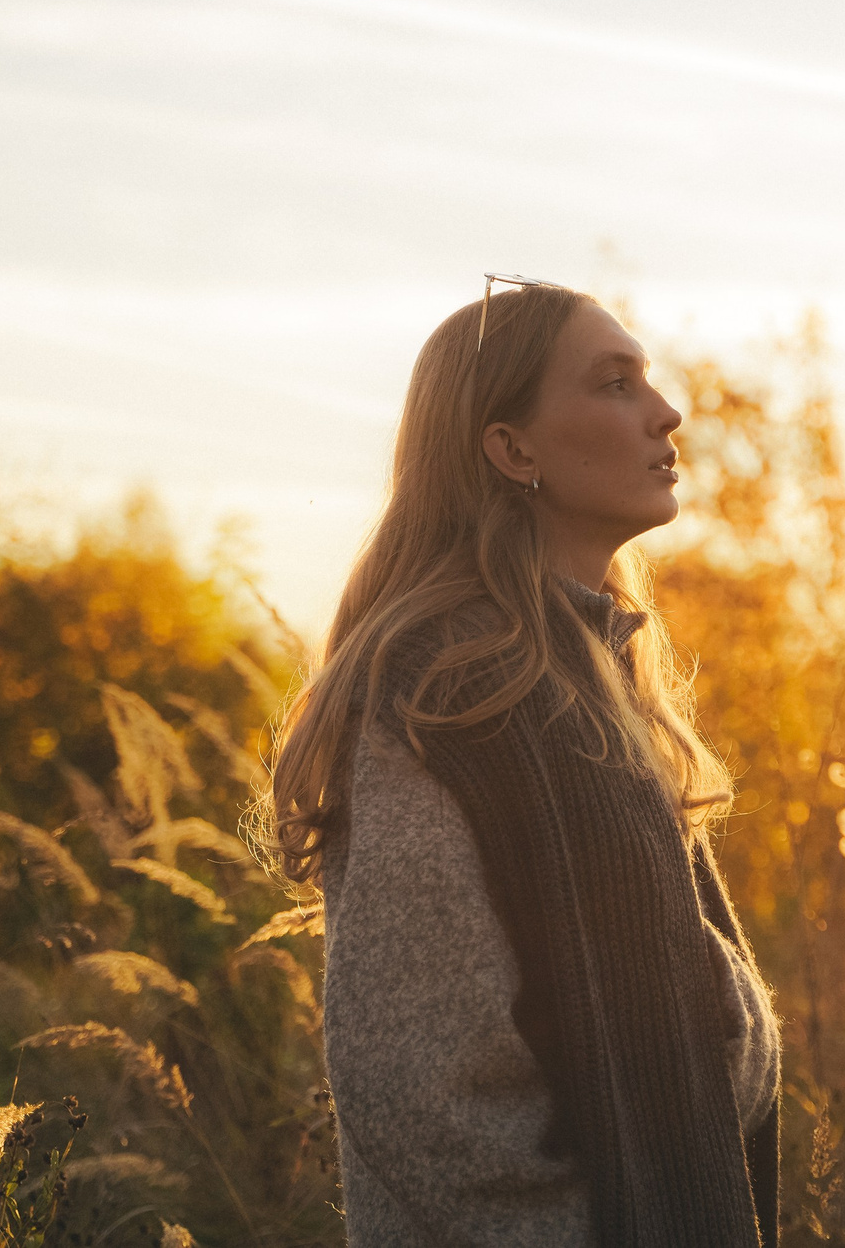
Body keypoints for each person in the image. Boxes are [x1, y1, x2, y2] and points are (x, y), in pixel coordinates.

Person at [263, 278, 780, 1247]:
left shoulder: (589, 680)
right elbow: (426, 1091)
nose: (666, 414)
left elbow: (687, 1007)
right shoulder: (442, 695)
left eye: (648, 383)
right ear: (512, 449)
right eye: (615, 384)